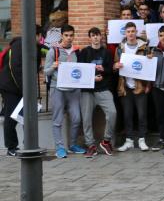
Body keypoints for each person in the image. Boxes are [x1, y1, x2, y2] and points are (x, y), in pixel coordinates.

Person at [0, 26, 44, 156]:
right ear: (38, 35)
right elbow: (16, 69)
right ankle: (11, 147)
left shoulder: (34, 46)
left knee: (28, 116)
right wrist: (26, 90)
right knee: (11, 117)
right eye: (40, 36)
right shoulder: (19, 45)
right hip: (11, 88)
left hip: (21, 87)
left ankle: (30, 144)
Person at [43, 24, 85, 158]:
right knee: (57, 119)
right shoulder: (53, 51)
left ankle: (72, 145)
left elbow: (81, 71)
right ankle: (59, 147)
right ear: (62, 35)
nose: (69, 38)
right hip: (58, 88)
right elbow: (45, 71)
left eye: (71, 35)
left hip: (74, 89)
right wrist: (53, 67)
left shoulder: (77, 51)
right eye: (66, 35)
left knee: (77, 118)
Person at [78, 27, 117, 157]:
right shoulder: (84, 52)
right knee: (87, 118)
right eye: (93, 35)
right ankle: (91, 146)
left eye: (97, 35)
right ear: (89, 38)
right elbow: (80, 71)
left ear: (101, 37)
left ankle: (106, 141)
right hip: (87, 90)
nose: (95, 38)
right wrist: (92, 77)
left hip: (103, 88)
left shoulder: (106, 53)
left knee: (112, 113)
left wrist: (103, 70)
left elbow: (110, 71)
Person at [113, 21, 151, 152]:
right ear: (125, 33)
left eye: (133, 31)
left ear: (136, 32)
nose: (131, 34)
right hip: (125, 86)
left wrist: (148, 85)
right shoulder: (120, 48)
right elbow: (114, 65)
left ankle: (142, 139)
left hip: (140, 86)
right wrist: (116, 66)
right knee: (127, 115)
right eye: (128, 32)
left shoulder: (144, 47)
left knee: (142, 115)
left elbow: (149, 68)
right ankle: (129, 140)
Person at [148, 25, 164, 151]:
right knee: (160, 114)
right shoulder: (153, 51)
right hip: (156, 87)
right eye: (161, 35)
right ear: (158, 36)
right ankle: (162, 138)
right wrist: (148, 59)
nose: (163, 38)